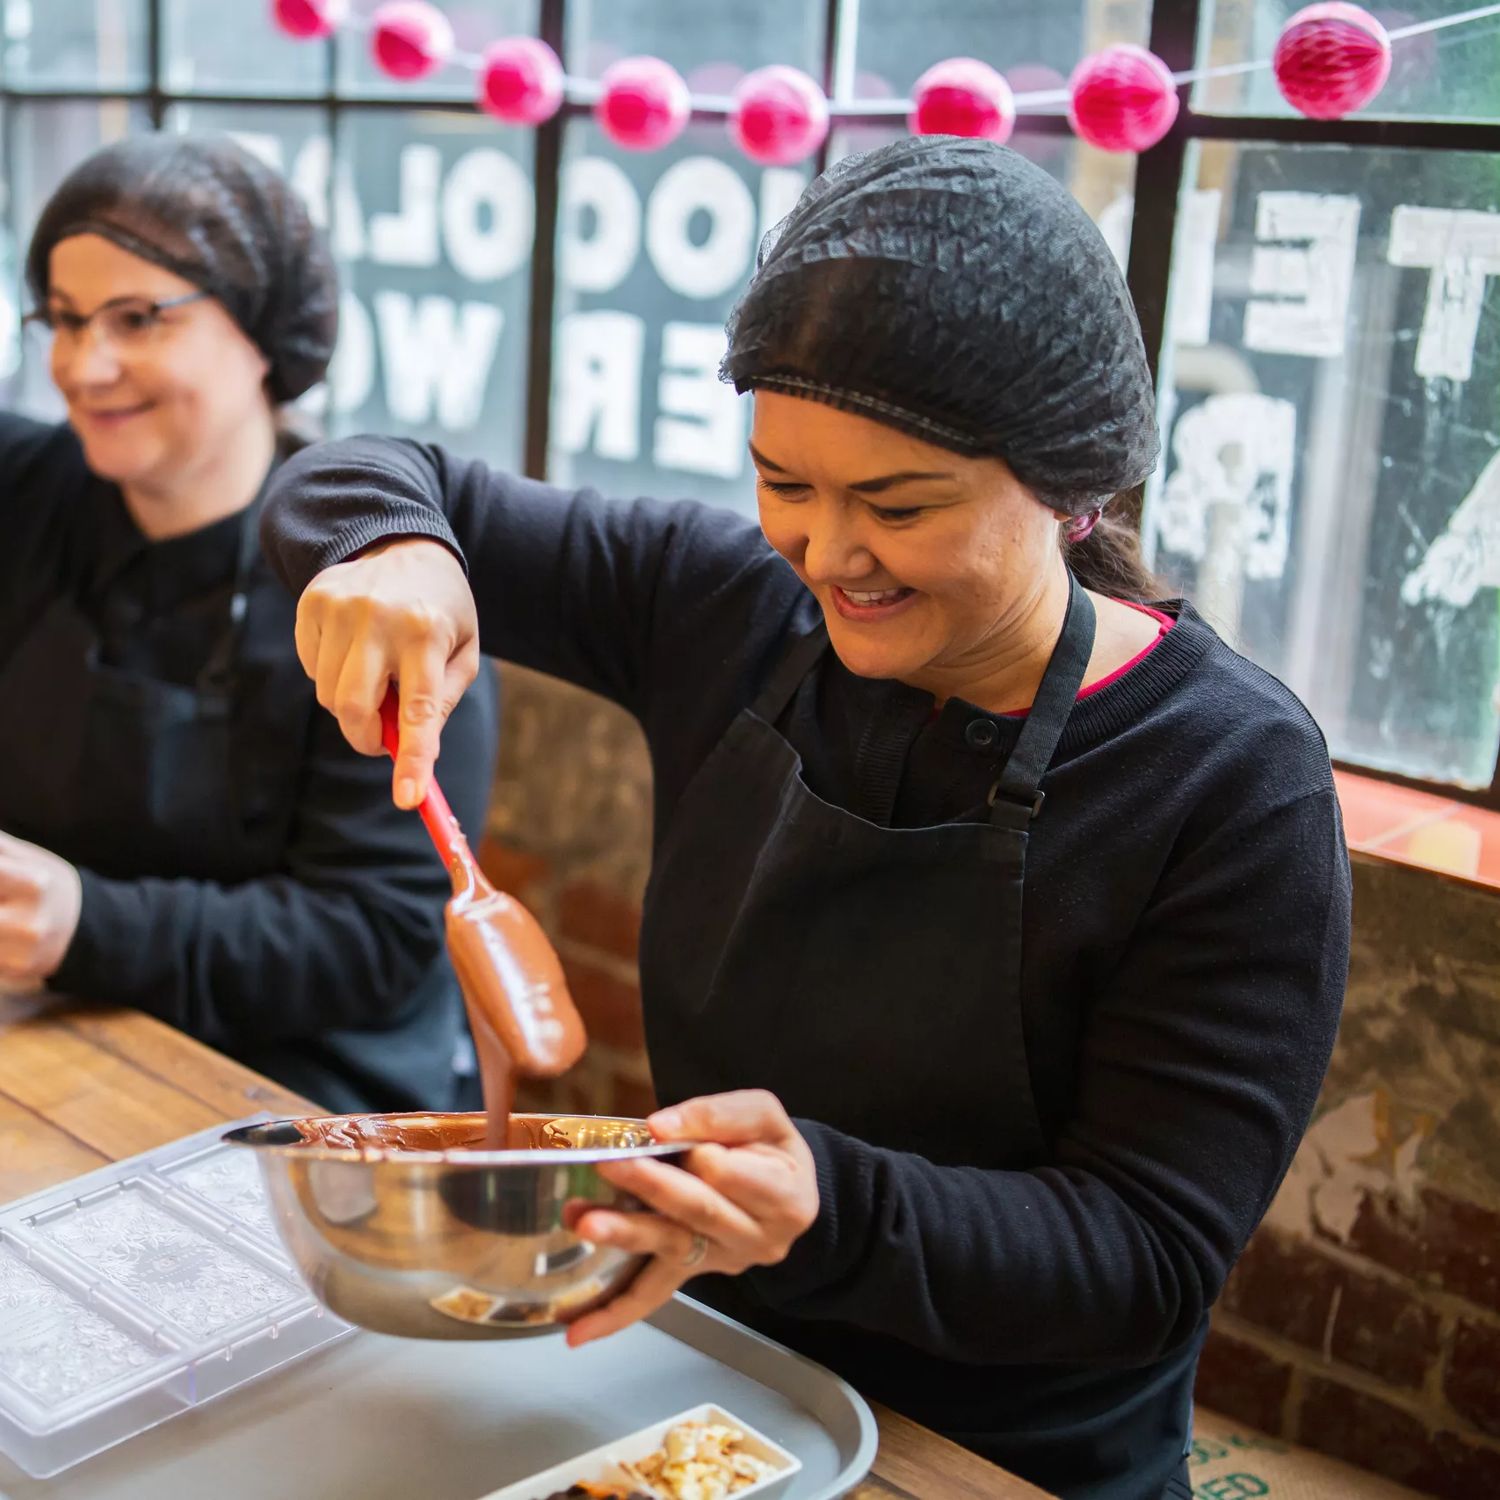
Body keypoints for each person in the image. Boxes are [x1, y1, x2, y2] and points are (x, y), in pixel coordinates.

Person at [261, 139, 1351, 1500]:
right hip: (700, 1390)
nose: (828, 554)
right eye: (785, 483)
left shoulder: (1233, 781)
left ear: (1070, 484)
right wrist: (390, 545)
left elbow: (1142, 1261)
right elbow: (364, 467)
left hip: (1004, 1459)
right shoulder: (723, 607)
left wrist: (829, 1205)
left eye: (897, 505)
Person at [0, 133, 498, 1113]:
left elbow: (378, 934)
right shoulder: (27, 496)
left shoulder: (376, 583)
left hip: (294, 1097)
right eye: (62, 321)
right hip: (51, 1036)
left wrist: (88, 923)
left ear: (265, 328)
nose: (83, 366)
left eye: (136, 319)